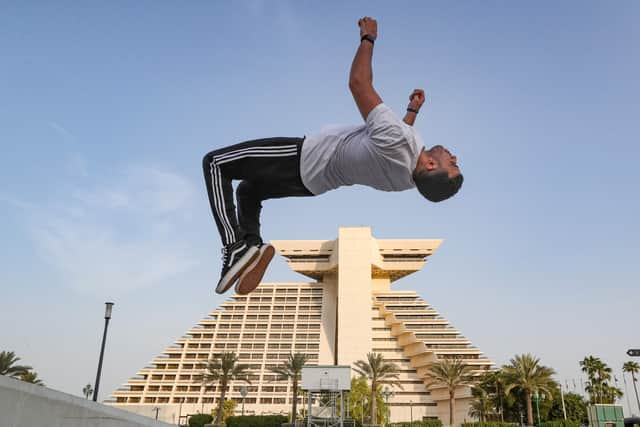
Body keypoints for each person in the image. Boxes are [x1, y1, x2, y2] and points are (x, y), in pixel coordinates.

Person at [202, 16, 463, 296]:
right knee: (248, 191)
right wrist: (412, 111)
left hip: (303, 156)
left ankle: (235, 246)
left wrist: (368, 38)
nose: (454, 156)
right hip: (313, 184)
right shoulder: (407, 180)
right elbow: (397, 143)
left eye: (453, 163)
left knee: (216, 164)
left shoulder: (400, 141)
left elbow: (358, 83)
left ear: (432, 164)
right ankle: (253, 244)